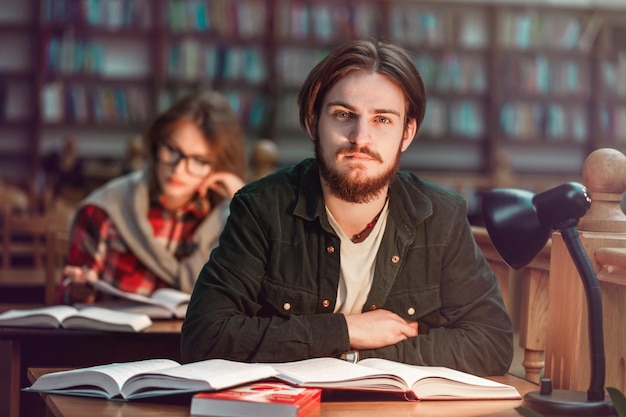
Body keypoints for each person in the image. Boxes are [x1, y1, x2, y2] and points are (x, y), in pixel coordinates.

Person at [181, 40, 514, 376]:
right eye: (343, 115)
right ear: (314, 122)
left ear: (407, 133)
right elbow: (204, 338)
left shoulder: (442, 216)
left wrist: (358, 357)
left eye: (382, 119)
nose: (360, 138)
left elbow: (492, 342)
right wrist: (347, 330)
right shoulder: (261, 208)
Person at [58, 91, 247, 304]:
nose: (178, 169)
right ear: (157, 145)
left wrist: (244, 203)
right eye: (172, 150)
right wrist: (79, 292)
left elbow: (251, 298)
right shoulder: (102, 209)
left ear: (219, 167)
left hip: (198, 337)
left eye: (199, 160)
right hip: (117, 337)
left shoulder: (231, 216)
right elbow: (68, 305)